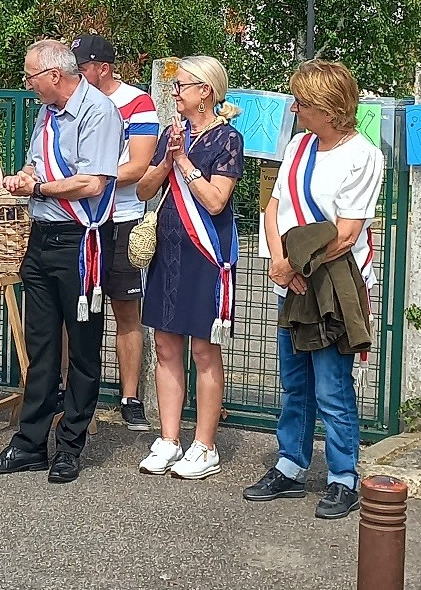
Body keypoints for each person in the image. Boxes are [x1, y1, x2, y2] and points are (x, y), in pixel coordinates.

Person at [0, 40, 123, 483]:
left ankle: (70, 447)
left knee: (81, 348)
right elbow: (41, 165)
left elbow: (92, 183)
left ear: (55, 75)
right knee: (41, 348)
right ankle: (29, 444)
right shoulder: (47, 112)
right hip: (41, 237)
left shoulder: (99, 112)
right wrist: (25, 176)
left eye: (30, 76)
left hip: (82, 241)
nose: (28, 84)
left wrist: (37, 190)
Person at [243, 59, 384, 520]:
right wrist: (281, 263)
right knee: (295, 381)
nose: (296, 110)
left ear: (330, 107)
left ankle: (344, 477)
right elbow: (273, 207)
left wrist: (296, 265)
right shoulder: (300, 145)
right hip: (293, 277)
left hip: (331, 283)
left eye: (303, 103)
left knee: (332, 385)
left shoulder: (363, 154)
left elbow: (346, 232)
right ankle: (290, 465)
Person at [136, 56, 243, 479]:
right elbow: (145, 187)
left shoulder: (227, 139)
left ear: (206, 92)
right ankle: (168, 438)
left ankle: (204, 445)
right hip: (168, 252)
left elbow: (216, 201)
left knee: (202, 349)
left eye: (181, 85)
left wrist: (183, 163)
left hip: (206, 254)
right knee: (165, 347)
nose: (174, 92)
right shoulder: (170, 134)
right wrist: (167, 159)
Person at [72, 33, 159, 431]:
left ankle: (130, 397)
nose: (75, 74)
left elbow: (139, 165)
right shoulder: (69, 104)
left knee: (126, 309)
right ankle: (69, 390)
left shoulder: (137, 103)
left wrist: (91, 180)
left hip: (122, 216)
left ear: (102, 68)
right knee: (73, 308)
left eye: (80, 67)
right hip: (78, 216)